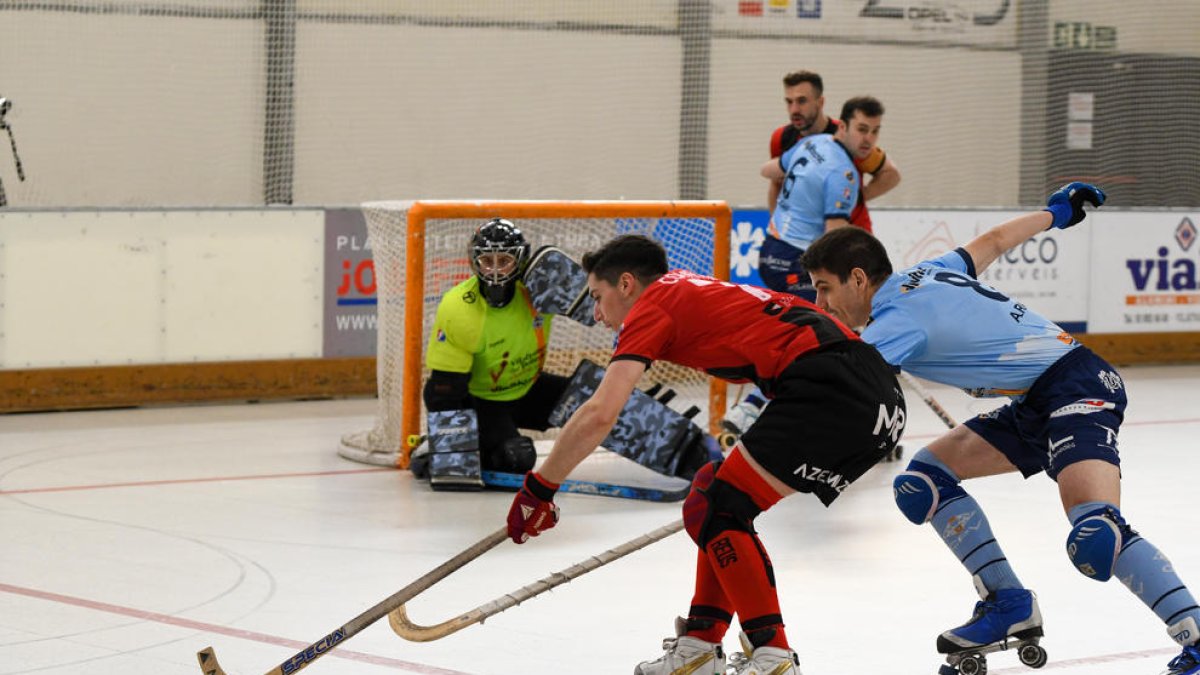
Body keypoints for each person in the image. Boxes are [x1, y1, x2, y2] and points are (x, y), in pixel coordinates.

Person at [799, 183, 1200, 675]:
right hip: (1033, 402)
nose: (819, 301)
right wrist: (1055, 213)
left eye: (823, 287)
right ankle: (1007, 603)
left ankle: (1195, 633)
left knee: (1097, 533)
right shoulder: (927, 272)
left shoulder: (891, 323)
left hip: (1077, 385)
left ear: (857, 279)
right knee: (921, 481)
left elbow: (842, 391)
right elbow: (992, 241)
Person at [503, 234, 907, 674]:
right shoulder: (684, 290)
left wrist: (539, 488)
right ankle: (699, 645)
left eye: (598, 297)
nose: (597, 314)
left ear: (626, 285)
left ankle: (773, 655)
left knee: (718, 506)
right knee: (714, 496)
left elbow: (601, 413)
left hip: (834, 385)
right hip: (876, 396)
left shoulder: (652, 304)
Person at [723, 96, 892, 440]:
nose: (868, 140)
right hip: (797, 262)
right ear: (841, 125)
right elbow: (835, 245)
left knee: (804, 333)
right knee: (821, 334)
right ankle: (752, 407)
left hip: (769, 251)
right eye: (861, 129)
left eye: (874, 132)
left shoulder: (813, 143)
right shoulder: (844, 175)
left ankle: (801, 407)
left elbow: (769, 170)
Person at [414, 218, 566, 489]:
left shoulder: (541, 293)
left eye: (504, 260)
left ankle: (667, 445)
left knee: (601, 399)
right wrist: (453, 451)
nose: (495, 270)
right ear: (475, 261)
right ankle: (436, 448)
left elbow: (596, 304)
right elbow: (443, 390)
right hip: (483, 401)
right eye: (487, 260)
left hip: (528, 390)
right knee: (517, 457)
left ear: (520, 260)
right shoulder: (459, 308)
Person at [766, 71, 901, 229]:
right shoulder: (781, 137)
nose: (794, 109)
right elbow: (776, 185)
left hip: (851, 236)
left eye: (802, 101)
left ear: (820, 102)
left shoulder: (847, 135)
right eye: (789, 102)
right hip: (804, 239)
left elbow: (891, 175)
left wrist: (856, 197)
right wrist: (778, 228)